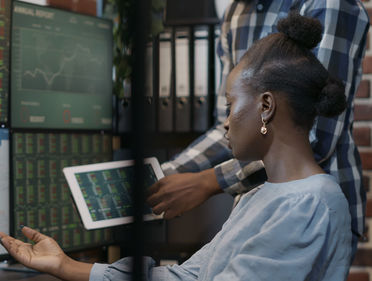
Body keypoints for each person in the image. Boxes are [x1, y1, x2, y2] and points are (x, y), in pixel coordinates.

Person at [0, 12, 353, 280]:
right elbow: (192, 276)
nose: (224, 122)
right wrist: (66, 265)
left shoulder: (308, 204)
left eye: (229, 106)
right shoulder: (262, 196)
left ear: (266, 106)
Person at [147, 0, 369, 256]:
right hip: (253, 209)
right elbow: (230, 124)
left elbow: (311, 135)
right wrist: (166, 175)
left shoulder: (328, 4)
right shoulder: (236, 13)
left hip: (310, 215)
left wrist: (207, 182)